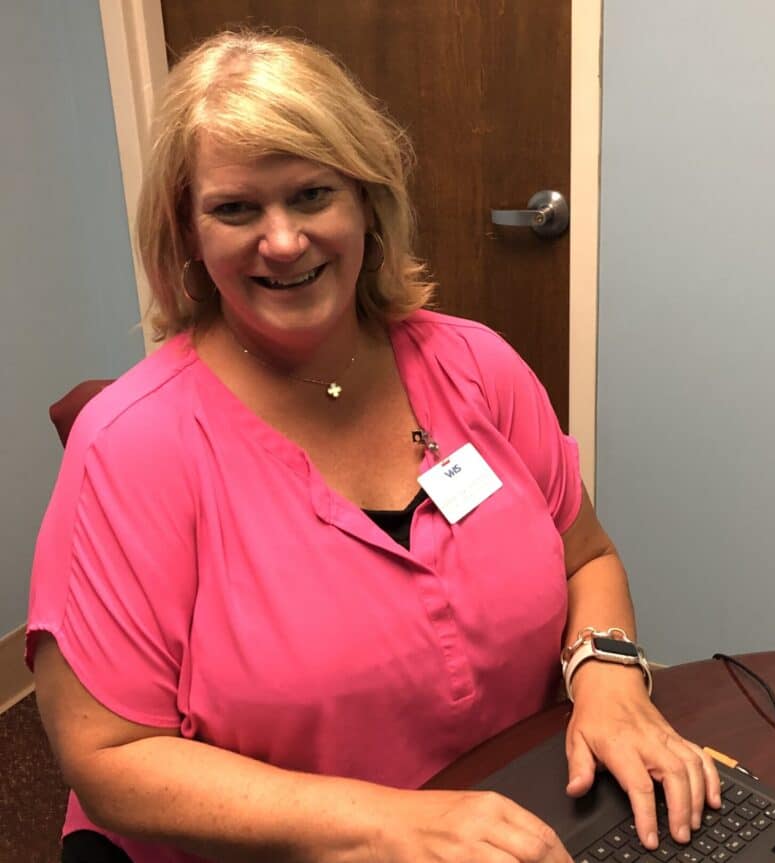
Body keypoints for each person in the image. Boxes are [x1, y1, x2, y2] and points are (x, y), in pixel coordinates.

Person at [27, 29, 720, 863]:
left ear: (367, 202)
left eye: (312, 194)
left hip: (518, 823)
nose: (281, 241)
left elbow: (587, 558)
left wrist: (608, 677)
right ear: (188, 232)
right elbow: (111, 758)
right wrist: (385, 822)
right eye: (235, 208)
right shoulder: (132, 446)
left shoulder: (475, 366)